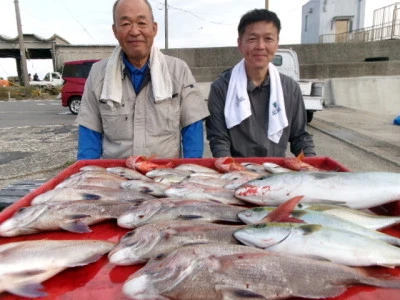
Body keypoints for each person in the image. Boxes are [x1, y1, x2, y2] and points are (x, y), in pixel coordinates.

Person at [76, 0, 209, 160]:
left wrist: (189, 173)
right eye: (125, 24)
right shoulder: (98, 74)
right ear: (115, 30)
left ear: (154, 28)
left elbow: (192, 129)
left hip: (164, 177)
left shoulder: (178, 71)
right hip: (116, 177)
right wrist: (88, 176)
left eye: (141, 23)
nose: (134, 31)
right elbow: (89, 138)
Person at [206, 9, 315, 158]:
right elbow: (219, 139)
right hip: (236, 171)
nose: (260, 46)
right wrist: (231, 169)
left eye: (268, 39)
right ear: (240, 44)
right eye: (252, 39)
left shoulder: (290, 88)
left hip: (276, 170)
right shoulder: (221, 87)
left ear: (277, 44)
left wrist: (312, 164)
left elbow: (300, 137)